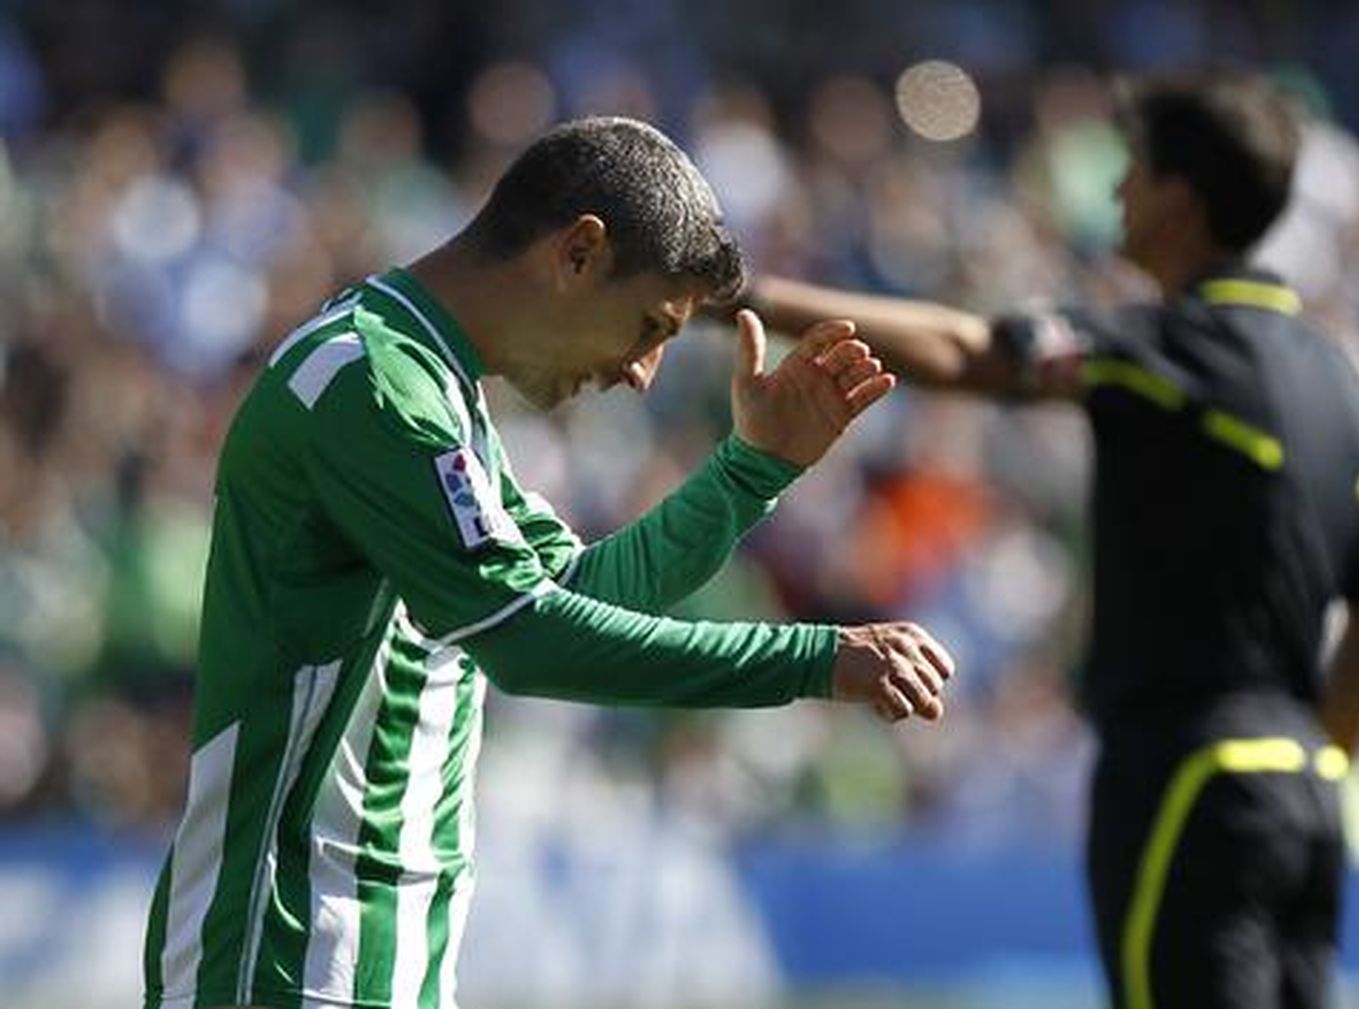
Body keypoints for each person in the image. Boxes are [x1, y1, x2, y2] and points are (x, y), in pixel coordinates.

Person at [142, 116, 956, 1009]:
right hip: (284, 957)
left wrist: (750, 472)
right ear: (577, 253)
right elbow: (531, 642)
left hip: (365, 960)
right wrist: (815, 659)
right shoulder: (369, 383)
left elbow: (571, 595)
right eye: (649, 325)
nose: (641, 372)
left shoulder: (433, 391)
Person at [737, 73, 1359, 1008]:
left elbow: (976, 351)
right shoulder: (1348, 387)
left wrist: (754, 298)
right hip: (1304, 796)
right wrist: (1317, 757)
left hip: (1189, 777)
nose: (1113, 194)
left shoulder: (1178, 351)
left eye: (1131, 172)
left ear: (1177, 198)